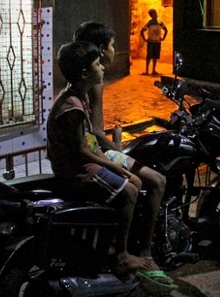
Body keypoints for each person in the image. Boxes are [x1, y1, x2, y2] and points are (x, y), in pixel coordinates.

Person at [47, 41, 175, 289]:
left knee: (136, 181)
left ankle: (119, 242)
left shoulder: (77, 94)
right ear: (85, 73)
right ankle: (122, 256)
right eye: (97, 64)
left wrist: (114, 146)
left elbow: (89, 140)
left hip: (83, 162)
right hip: (77, 169)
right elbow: (81, 151)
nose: (103, 68)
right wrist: (113, 165)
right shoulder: (72, 106)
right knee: (130, 191)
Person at [73, 21, 167, 266]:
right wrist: (116, 148)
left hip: (90, 147)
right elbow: (96, 130)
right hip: (97, 151)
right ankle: (144, 251)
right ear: (103, 49)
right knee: (158, 181)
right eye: (113, 45)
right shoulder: (96, 79)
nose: (115, 50)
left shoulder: (79, 74)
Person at [139, 9, 167, 75]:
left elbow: (166, 30)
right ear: (151, 15)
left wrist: (163, 38)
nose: (156, 15)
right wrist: (145, 39)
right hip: (151, 42)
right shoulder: (149, 23)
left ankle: (153, 70)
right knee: (149, 56)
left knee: (155, 56)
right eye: (154, 14)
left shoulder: (160, 22)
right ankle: (147, 71)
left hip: (157, 41)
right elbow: (142, 30)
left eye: (156, 13)